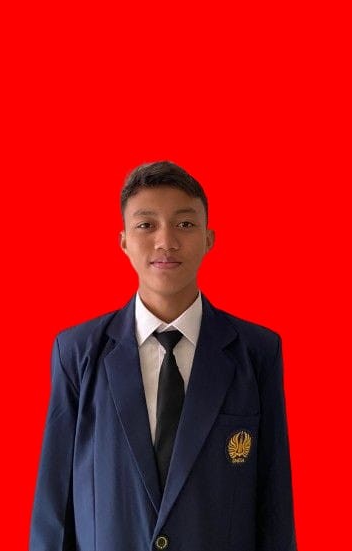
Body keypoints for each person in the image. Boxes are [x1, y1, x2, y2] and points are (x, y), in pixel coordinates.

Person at [29, 161, 297, 551]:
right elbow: (54, 507)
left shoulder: (256, 352)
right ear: (123, 240)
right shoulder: (77, 352)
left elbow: (274, 503)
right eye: (146, 224)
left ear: (209, 238)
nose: (166, 241)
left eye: (185, 224)